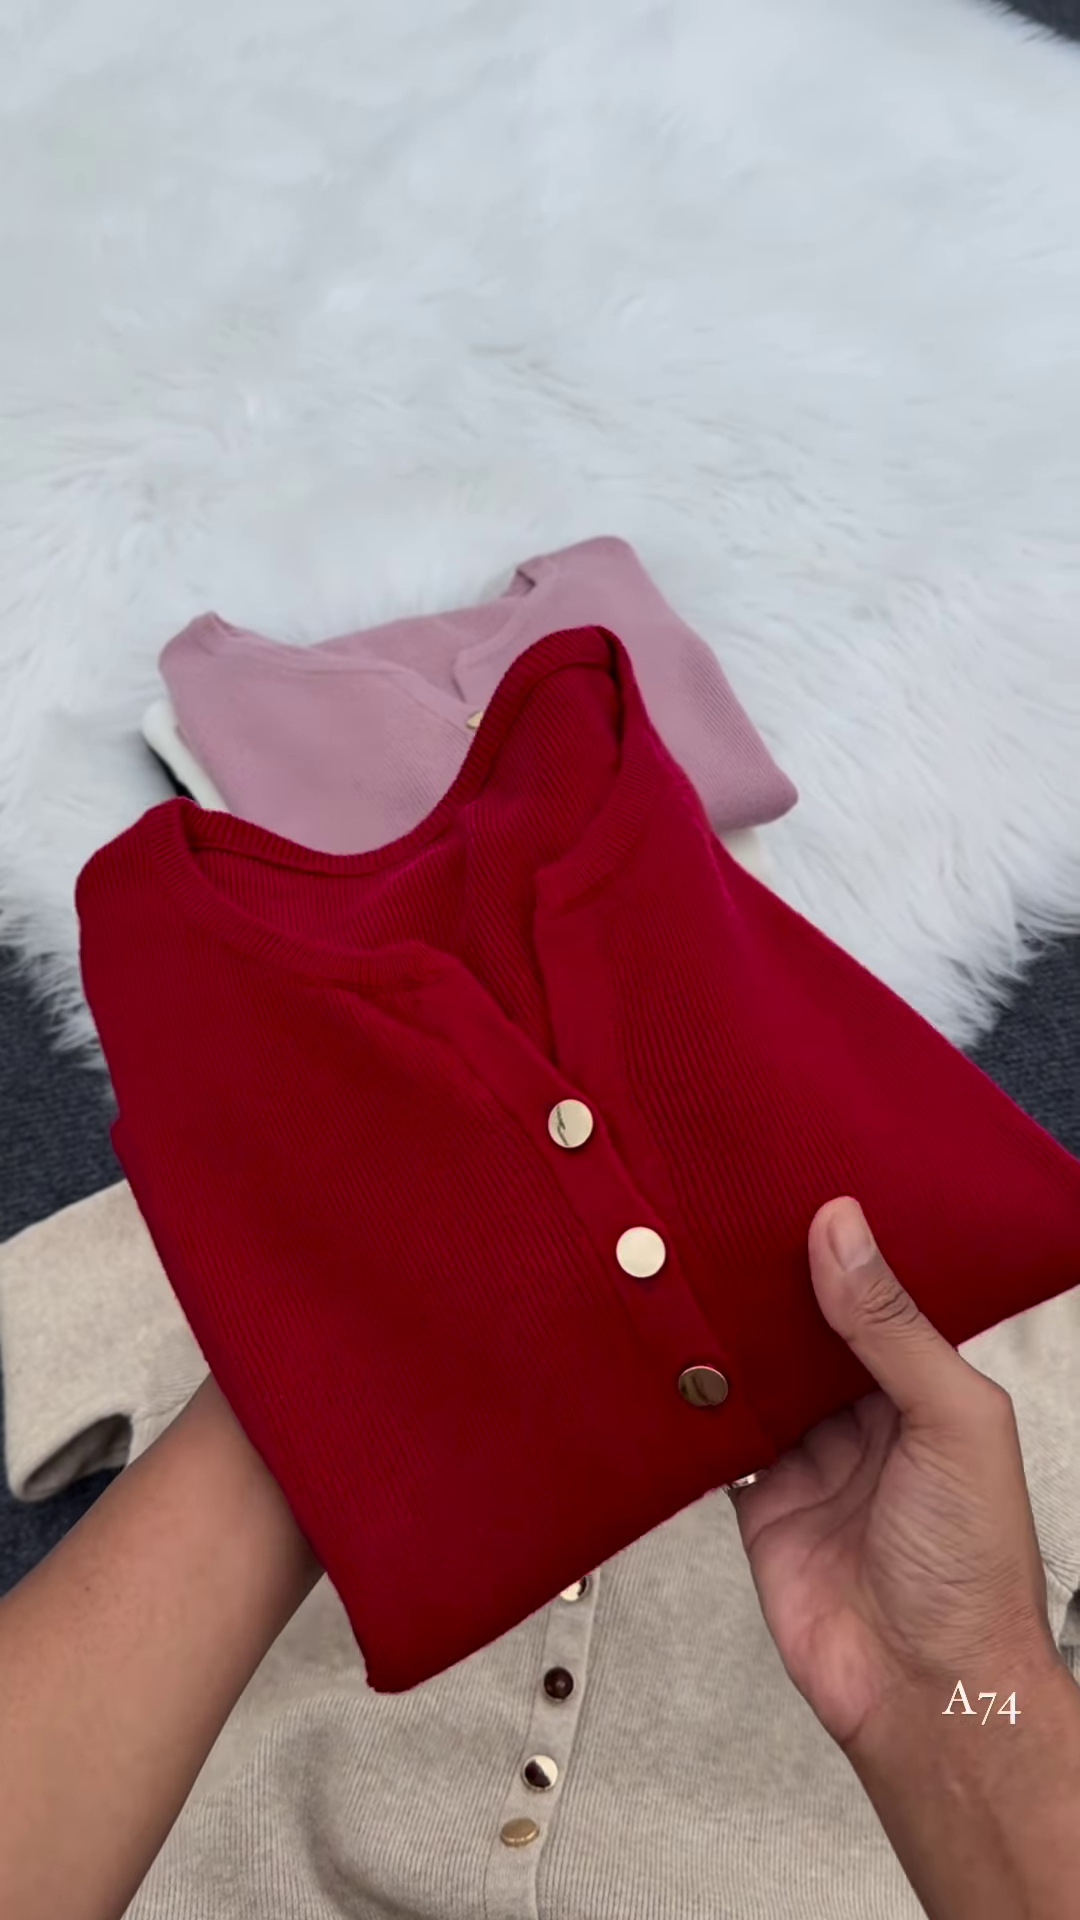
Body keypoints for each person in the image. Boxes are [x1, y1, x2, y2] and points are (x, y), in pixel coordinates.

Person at [0, 1195, 1078, 1920]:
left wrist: (957, 1685)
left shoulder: (1009, 1296)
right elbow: (44, 1316)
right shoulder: (262, 1211)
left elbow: (980, 1705)